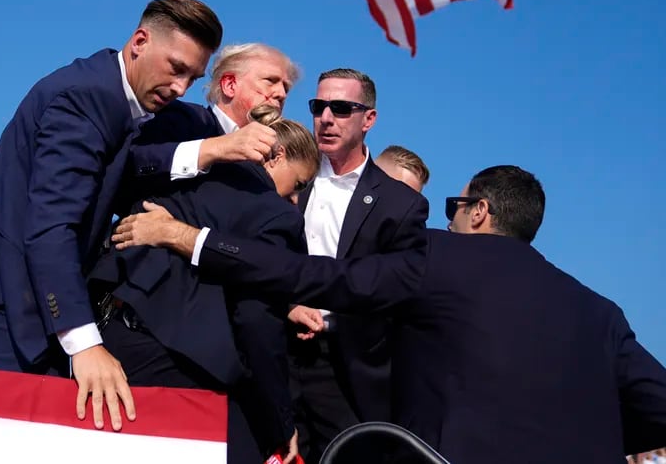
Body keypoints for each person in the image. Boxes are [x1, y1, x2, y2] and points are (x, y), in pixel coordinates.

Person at [114, 165, 666, 463]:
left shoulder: (436, 257)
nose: (448, 220)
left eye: (455, 207)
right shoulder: (602, 313)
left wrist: (192, 239)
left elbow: (317, 276)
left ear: (479, 212)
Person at [0, 0, 229, 431]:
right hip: (5, 302)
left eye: (193, 77)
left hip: (34, 302)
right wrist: (85, 343)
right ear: (139, 41)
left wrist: (209, 151)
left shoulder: (116, 96)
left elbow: (125, 164)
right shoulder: (85, 98)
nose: (181, 88)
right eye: (176, 68)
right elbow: (51, 226)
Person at [91, 104, 319, 463]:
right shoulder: (277, 216)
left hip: (107, 338)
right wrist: (281, 419)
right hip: (179, 364)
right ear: (277, 157)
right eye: (299, 185)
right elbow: (256, 318)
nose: (295, 200)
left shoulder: (192, 174)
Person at [272, 68, 428, 462]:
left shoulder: (400, 204)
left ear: (369, 119)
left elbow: (398, 294)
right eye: (318, 106)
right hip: (274, 351)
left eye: (341, 108)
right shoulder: (285, 175)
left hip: (348, 369)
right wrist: (287, 305)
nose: (326, 117)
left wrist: (332, 320)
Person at [122, 42, 298, 208]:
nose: (281, 94)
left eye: (286, 88)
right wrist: (216, 148)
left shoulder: (274, 160)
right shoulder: (185, 119)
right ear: (229, 85)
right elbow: (131, 164)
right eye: (270, 80)